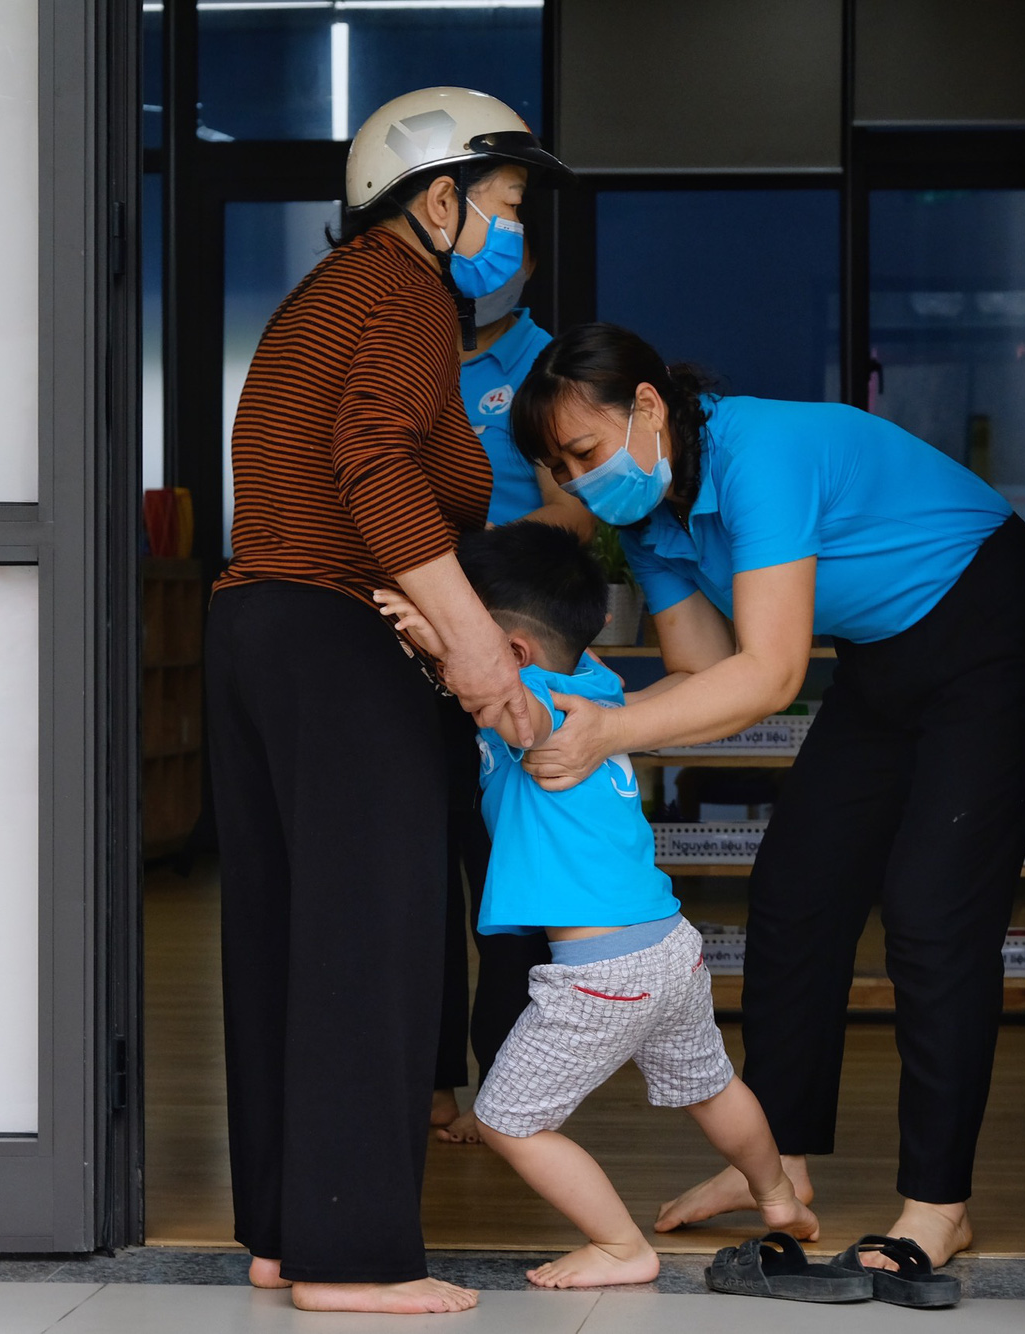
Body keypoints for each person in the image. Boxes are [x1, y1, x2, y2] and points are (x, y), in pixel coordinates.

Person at [506, 323, 1025, 1269]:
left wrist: (613, 731)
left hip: (988, 623)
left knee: (931, 915)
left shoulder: (763, 455)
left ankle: (939, 1202)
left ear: (651, 407)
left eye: (584, 452)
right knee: (795, 888)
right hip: (884, 655)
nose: (581, 483)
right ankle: (775, 1166)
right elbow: (703, 672)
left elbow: (774, 674)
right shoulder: (651, 515)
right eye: (559, 468)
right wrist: (579, 719)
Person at [205, 87, 569, 1315]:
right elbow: (371, 464)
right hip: (330, 637)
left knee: (288, 939)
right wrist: (476, 650)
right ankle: (351, 1255)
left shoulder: (335, 295)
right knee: (375, 942)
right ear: (439, 196)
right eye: (507, 205)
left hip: (262, 628)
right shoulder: (402, 290)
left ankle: (285, 1228)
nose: (515, 235)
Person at [379, 523, 818, 1288]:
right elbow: (519, 678)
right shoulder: (594, 682)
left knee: (509, 1119)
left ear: (509, 654)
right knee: (712, 1088)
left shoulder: (546, 714)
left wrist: (436, 639)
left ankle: (620, 1247)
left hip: (599, 975)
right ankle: (778, 1195)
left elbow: (515, 710)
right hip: (668, 948)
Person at [431, 248, 591, 1146]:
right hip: (404, 649)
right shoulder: (403, 346)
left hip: (509, 654)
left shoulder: (544, 367)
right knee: (417, 872)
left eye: (519, 231)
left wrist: (470, 552)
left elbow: (575, 512)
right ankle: (431, 1082)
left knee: (507, 878)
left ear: (531, 260)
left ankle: (513, 1088)